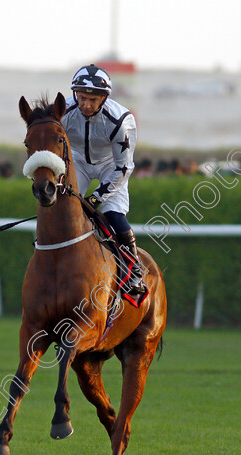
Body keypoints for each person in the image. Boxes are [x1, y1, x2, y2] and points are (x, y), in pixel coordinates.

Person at [62, 64, 146, 293]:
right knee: (62, 209)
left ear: (104, 98)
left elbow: (124, 166)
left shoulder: (121, 120)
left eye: (93, 99)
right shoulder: (62, 112)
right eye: (82, 98)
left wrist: (98, 197)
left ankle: (134, 269)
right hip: (78, 161)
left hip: (112, 166)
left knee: (114, 216)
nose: (86, 105)